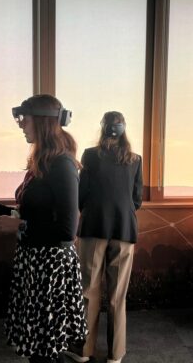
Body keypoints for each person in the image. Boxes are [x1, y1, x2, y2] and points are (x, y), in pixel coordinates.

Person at [0, 94, 87, 363]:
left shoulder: (62, 165)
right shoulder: (42, 162)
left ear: (42, 122)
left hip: (50, 270)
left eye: (24, 119)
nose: (21, 125)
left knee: (45, 350)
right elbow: (28, 213)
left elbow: (68, 230)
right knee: (38, 348)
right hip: (35, 265)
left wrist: (20, 225)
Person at [65, 111, 143, 363]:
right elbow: (137, 200)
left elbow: (81, 195)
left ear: (103, 128)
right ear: (124, 129)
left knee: (88, 291)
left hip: (93, 228)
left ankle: (83, 351)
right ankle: (115, 355)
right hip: (124, 231)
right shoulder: (135, 159)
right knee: (117, 297)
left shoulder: (90, 155)